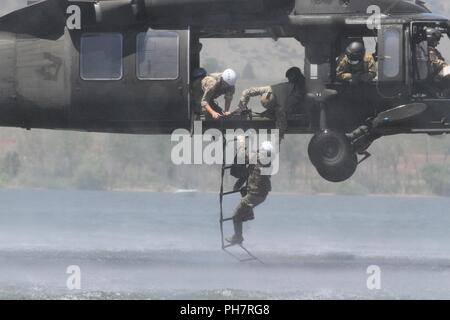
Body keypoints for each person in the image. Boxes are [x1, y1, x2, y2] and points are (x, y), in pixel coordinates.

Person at [237, 67, 306, 139]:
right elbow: (247, 92)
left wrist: (278, 139)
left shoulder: (281, 101)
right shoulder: (268, 89)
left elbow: (281, 122)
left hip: (298, 102)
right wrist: (240, 108)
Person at [226, 141, 273, 245]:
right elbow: (249, 171)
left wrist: (241, 146)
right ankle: (249, 214)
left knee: (236, 215)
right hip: (259, 193)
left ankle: (238, 237)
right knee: (243, 190)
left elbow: (244, 158)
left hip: (255, 194)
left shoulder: (260, 160)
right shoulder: (264, 160)